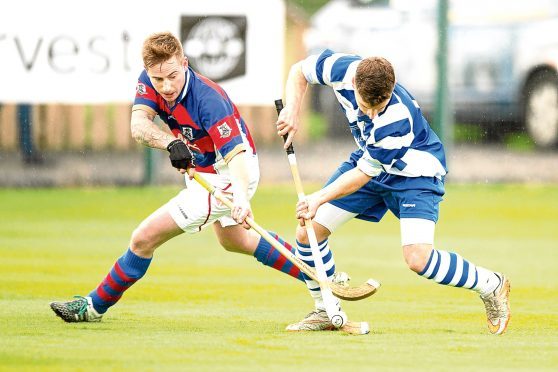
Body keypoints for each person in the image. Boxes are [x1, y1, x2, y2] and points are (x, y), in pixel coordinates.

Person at [49, 32, 308, 323]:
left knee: (143, 238)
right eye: (158, 80)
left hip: (227, 174)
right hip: (204, 169)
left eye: (172, 76)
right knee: (236, 241)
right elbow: (138, 125)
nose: (166, 86)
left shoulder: (209, 100)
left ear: (184, 63)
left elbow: (237, 157)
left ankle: (93, 307)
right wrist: (171, 144)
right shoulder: (150, 80)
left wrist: (242, 199)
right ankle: (318, 273)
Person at [276, 49, 511, 335]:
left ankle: (492, 284)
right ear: (354, 86)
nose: (373, 113)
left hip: (414, 175)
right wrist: (293, 109)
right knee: (308, 231)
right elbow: (299, 71)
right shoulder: (339, 69)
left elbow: (363, 174)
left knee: (418, 259)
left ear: (390, 90)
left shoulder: (395, 120)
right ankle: (325, 309)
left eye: (380, 105)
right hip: (369, 160)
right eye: (366, 106)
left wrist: (318, 197)